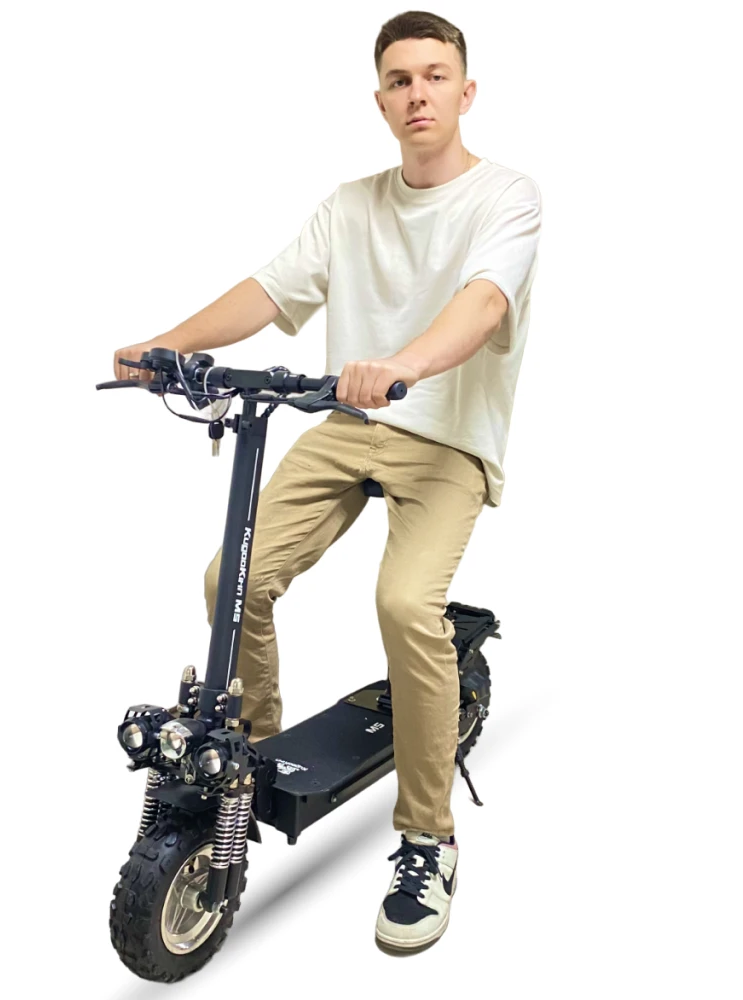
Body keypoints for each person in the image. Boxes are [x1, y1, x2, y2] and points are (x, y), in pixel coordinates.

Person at [112, 11, 542, 952]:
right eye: (400, 80)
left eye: (435, 76)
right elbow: (271, 290)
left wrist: (404, 364)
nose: (418, 93)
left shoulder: (507, 197)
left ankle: (428, 837)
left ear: (466, 92)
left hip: (445, 437)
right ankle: (252, 755)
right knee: (233, 578)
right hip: (348, 426)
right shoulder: (351, 205)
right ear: (380, 100)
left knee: (404, 603)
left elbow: (483, 303)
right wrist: (167, 345)